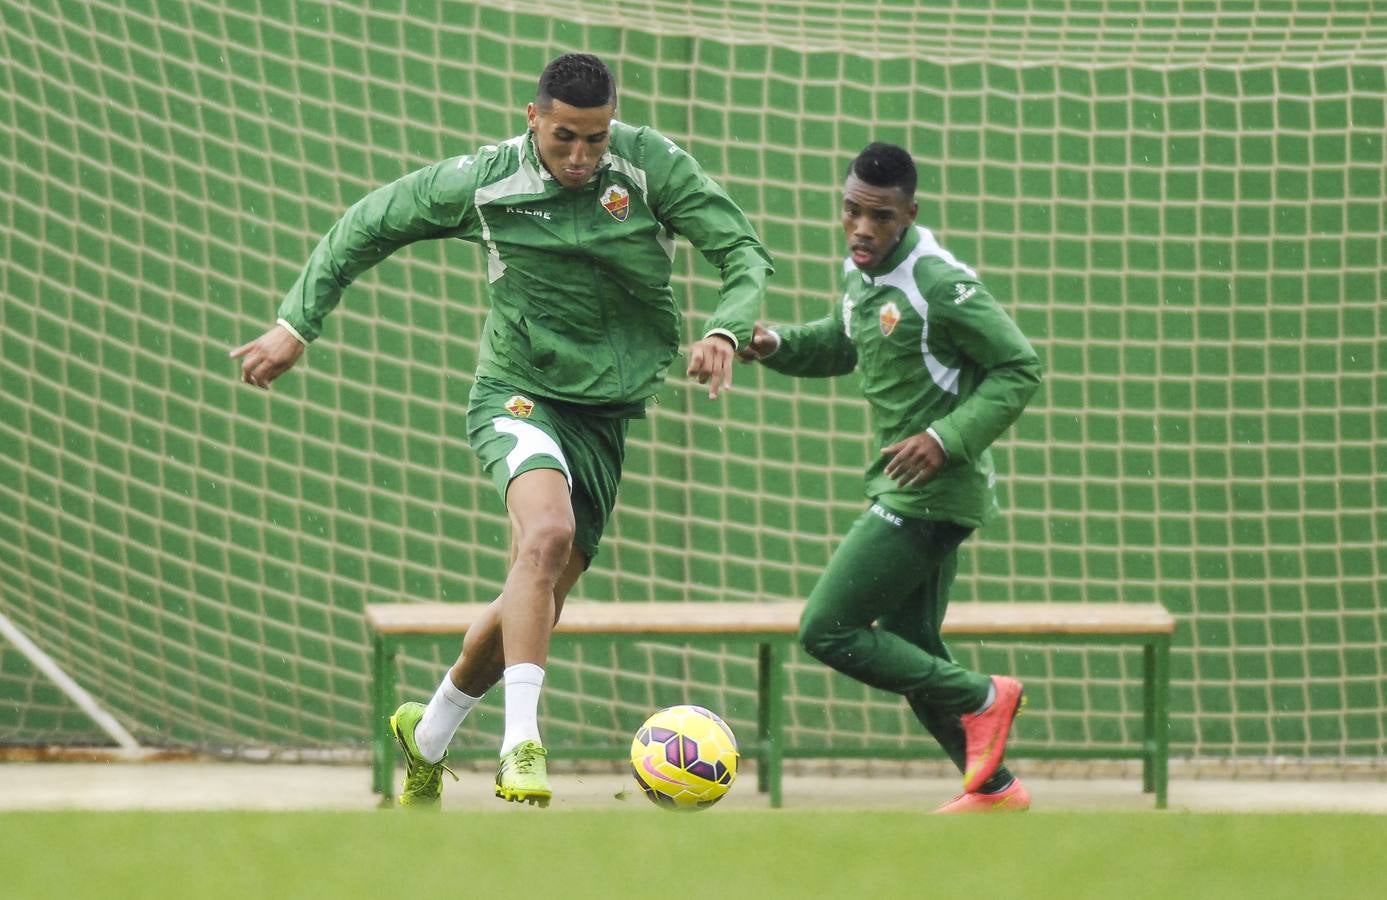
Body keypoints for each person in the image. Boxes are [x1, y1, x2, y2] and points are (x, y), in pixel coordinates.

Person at [231, 53, 773, 809]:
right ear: (531, 119)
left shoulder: (649, 166)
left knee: (541, 588)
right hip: (517, 392)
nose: (581, 156)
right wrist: (296, 323)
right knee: (543, 538)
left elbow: (741, 251)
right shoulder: (485, 181)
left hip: (606, 413)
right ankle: (521, 744)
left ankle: (426, 735)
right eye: (563, 138)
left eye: (594, 137)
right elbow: (367, 224)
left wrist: (722, 328)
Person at [737, 142, 1042, 813]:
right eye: (851, 212)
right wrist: (777, 345)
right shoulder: (860, 274)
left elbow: (1019, 367)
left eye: (878, 216)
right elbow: (847, 341)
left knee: (825, 628)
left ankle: (983, 697)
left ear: (908, 213)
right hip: (909, 490)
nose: (861, 229)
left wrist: (944, 437)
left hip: (931, 493)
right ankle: (993, 790)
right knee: (909, 648)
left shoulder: (939, 282)